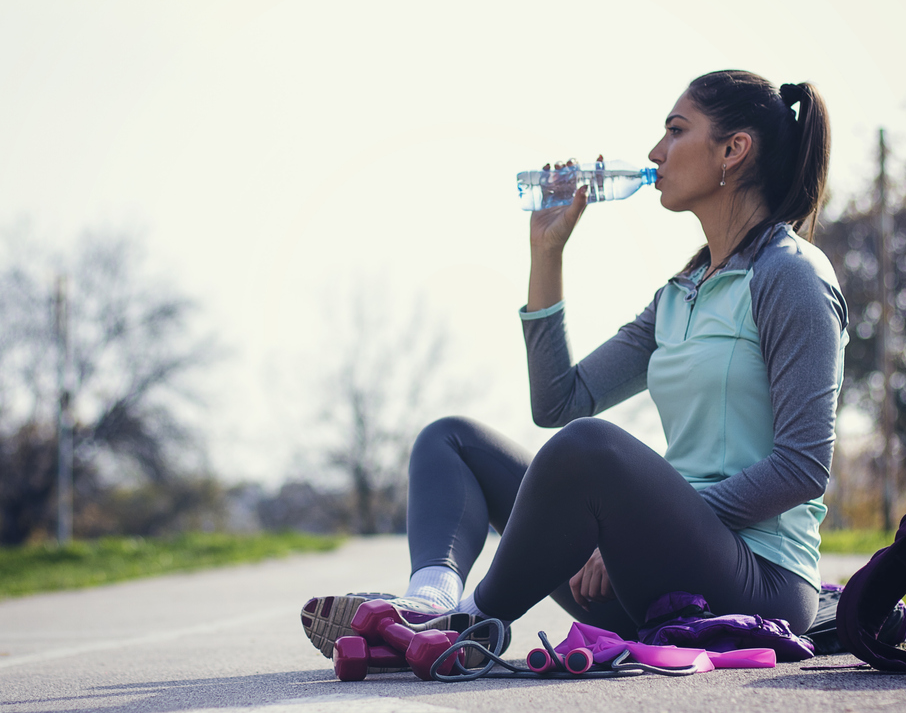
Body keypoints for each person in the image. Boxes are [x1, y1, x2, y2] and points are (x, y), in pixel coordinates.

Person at [302, 70, 848, 663]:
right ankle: (428, 607)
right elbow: (558, 402)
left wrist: (628, 534)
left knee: (591, 447)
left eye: (675, 130)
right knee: (451, 440)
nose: (654, 152)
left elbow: (802, 467)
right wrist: (547, 253)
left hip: (758, 583)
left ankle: (468, 626)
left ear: (733, 149)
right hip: (641, 580)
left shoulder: (790, 275)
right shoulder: (681, 294)